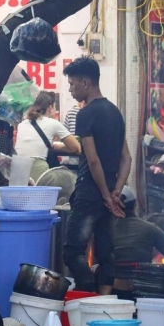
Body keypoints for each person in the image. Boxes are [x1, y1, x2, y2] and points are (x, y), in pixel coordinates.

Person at [63, 57, 131, 294]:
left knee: (72, 252)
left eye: (72, 84)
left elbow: (92, 160)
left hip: (90, 193)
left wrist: (104, 195)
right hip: (109, 191)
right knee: (105, 252)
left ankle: (87, 298)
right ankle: (104, 302)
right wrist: (116, 192)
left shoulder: (86, 114)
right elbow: (126, 159)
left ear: (85, 82)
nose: (70, 89)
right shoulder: (115, 113)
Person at [14, 91, 81, 181]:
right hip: (36, 168)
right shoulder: (52, 123)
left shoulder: (22, 124)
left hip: (17, 171)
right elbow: (76, 147)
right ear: (50, 107)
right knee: (68, 182)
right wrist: (58, 147)